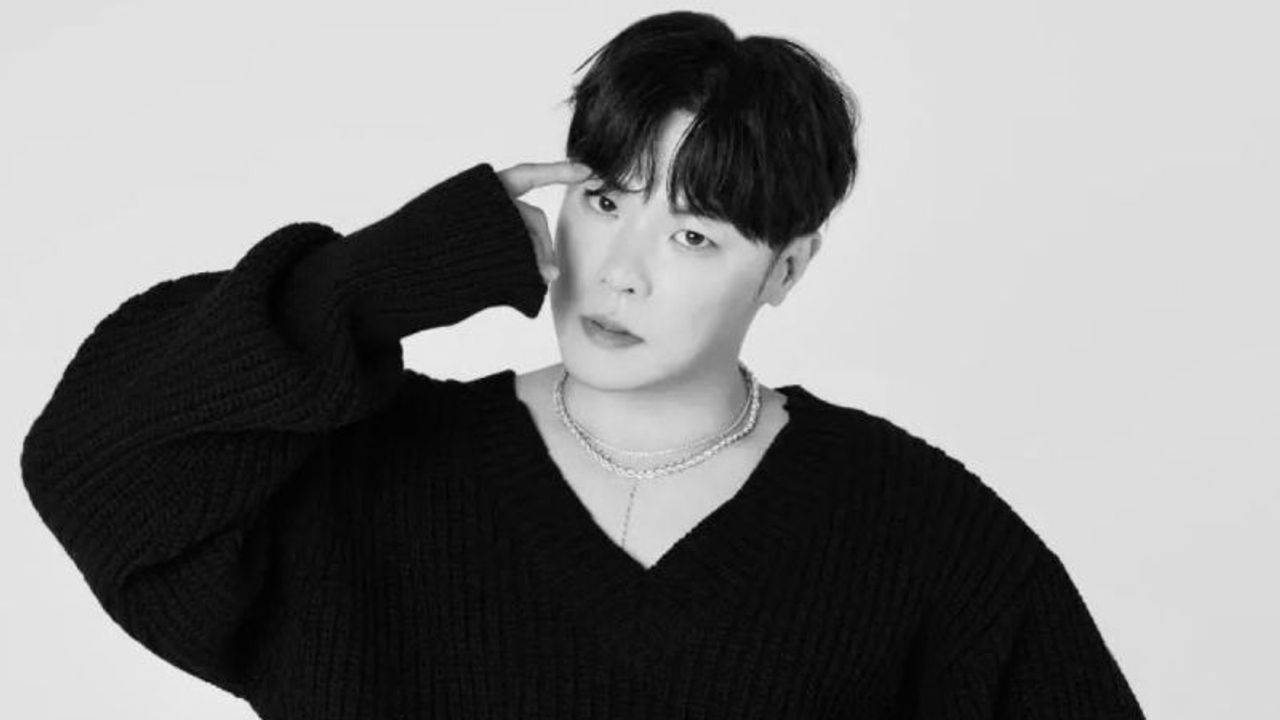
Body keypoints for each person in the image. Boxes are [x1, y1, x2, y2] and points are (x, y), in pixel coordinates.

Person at [20, 10, 1145, 719]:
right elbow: (95, 462)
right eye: (605, 201)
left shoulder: (909, 532)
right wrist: (383, 278)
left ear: (786, 269)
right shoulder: (372, 478)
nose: (621, 270)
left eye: (693, 235)